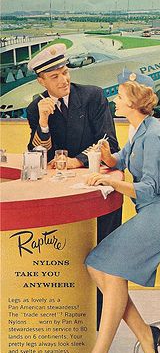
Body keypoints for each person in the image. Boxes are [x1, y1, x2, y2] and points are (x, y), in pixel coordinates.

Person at [66, 69, 160, 353]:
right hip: (156, 209)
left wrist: (110, 180)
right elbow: (127, 157)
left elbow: (148, 188)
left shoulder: (153, 135)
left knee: (106, 267)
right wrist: (110, 158)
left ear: (133, 101)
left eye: (119, 97)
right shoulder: (139, 128)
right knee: (98, 266)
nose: (114, 101)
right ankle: (146, 337)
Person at [26, 43, 122, 327]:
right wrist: (43, 123)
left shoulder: (92, 96)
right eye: (54, 77)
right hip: (63, 195)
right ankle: (69, 327)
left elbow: (109, 142)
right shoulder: (36, 107)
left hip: (98, 191)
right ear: (41, 81)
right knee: (66, 259)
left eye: (65, 72)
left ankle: (102, 323)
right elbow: (37, 158)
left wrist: (77, 161)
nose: (64, 80)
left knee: (102, 259)